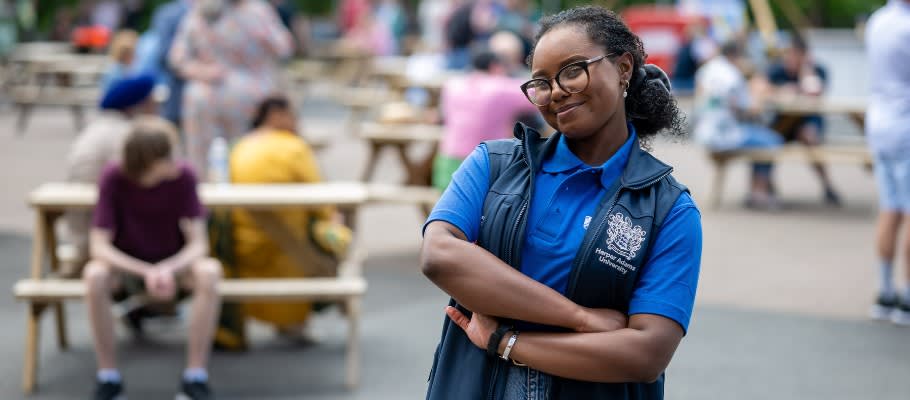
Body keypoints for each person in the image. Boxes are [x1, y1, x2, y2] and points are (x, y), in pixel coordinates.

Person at [421, 6, 701, 399]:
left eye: (572, 70)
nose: (555, 91)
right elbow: (440, 255)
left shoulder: (667, 210)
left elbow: (646, 353)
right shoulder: (495, 164)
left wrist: (506, 342)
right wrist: (581, 319)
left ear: (623, 68)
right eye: (540, 81)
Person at [85, 124, 221, 400]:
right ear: (148, 162)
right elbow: (99, 245)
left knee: (211, 271)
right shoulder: (114, 177)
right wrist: (145, 271)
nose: (178, 160)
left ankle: (195, 376)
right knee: (93, 275)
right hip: (128, 267)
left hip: (174, 265)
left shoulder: (183, 176)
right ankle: (108, 377)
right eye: (170, 156)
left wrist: (168, 268)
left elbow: (199, 243)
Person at [213, 95, 353, 348]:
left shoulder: (238, 146)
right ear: (276, 115)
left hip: (242, 249)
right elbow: (320, 198)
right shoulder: (293, 146)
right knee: (331, 235)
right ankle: (296, 324)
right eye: (293, 115)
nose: (296, 122)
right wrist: (335, 221)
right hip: (288, 251)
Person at [169, 0, 293, 178]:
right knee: (212, 158)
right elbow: (178, 58)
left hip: (239, 99)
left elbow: (284, 47)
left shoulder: (256, 11)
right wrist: (204, 71)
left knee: (244, 153)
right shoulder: (204, 11)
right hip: (218, 97)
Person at [59, 75, 162, 269]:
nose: (157, 107)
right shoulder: (126, 135)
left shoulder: (99, 127)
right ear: (138, 104)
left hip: (82, 228)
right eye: (152, 101)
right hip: (99, 236)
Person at [693, 41, 783, 209]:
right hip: (725, 136)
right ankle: (759, 193)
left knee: (758, 137)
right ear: (735, 56)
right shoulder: (732, 75)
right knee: (771, 141)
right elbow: (749, 109)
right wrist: (761, 93)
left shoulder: (706, 70)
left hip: (704, 132)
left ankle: (757, 190)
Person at [864, 0, 910, 326]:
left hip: (879, 122)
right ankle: (907, 294)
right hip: (905, 125)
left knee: (890, 208)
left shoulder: (877, 21)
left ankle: (884, 290)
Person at [433, 48, 537, 190]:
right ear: (495, 66)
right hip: (487, 162)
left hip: (448, 158)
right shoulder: (501, 88)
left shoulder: (452, 85)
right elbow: (537, 94)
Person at [766, 33, 841, 206]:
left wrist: (805, 71)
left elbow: (815, 92)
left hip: (808, 119)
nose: (789, 58)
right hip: (783, 120)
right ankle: (767, 185)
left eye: (794, 54)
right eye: (788, 53)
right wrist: (780, 90)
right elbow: (760, 85)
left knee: (810, 137)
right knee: (768, 138)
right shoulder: (778, 69)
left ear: (804, 54)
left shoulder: (818, 69)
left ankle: (827, 185)